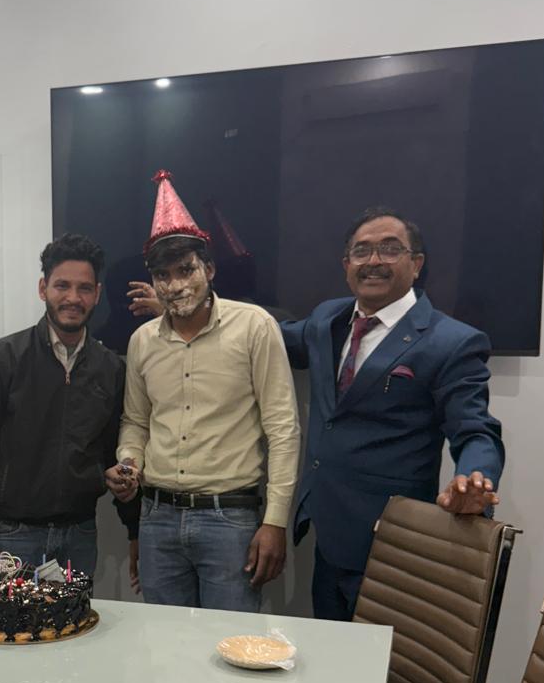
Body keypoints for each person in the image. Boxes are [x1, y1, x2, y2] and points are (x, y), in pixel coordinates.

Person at [281, 206, 505, 621]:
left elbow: (475, 430)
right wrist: (187, 308)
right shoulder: (328, 320)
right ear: (346, 265)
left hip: (391, 543)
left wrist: (475, 479)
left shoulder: (450, 342)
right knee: (330, 651)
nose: (374, 261)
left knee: (384, 660)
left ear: (416, 264)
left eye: (389, 249)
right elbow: (263, 336)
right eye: (361, 251)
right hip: (328, 532)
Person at [108, 170, 300, 612]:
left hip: (229, 519)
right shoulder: (142, 341)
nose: (174, 285)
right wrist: (129, 464)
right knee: (163, 642)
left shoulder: (254, 327)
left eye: (185, 270)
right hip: (156, 518)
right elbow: (135, 421)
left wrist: (275, 521)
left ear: (209, 269)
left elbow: (283, 429)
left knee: (230, 642)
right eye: (162, 274)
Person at [0, 233, 138, 579]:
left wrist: (133, 528)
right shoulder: (2, 358)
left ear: (97, 294)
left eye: (84, 288)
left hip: (79, 535)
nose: (73, 298)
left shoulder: (109, 368)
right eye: (62, 286)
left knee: (76, 617)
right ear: (42, 288)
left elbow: (113, 450)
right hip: (11, 535)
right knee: (4, 617)